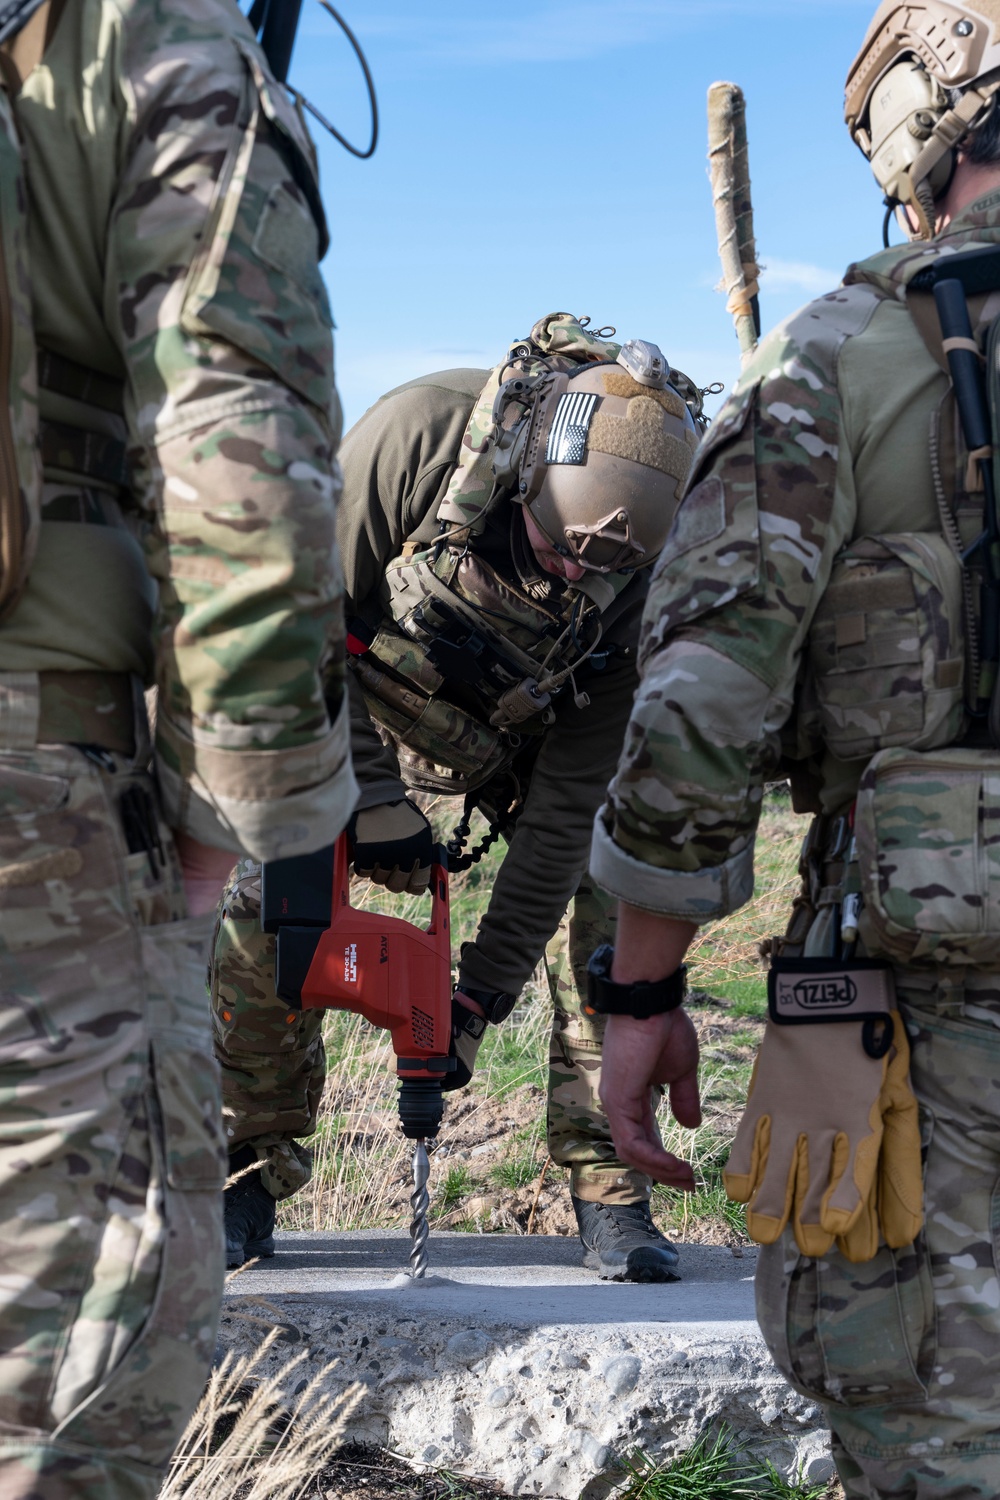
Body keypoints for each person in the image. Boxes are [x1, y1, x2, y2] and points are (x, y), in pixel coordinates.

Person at [590, 3, 1000, 1494]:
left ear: (911, 137)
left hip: (923, 1023)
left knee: (935, 1428)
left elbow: (700, 708)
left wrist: (641, 991)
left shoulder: (836, 359)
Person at [0, 0, 356, 1495]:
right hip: (42, 821)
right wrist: (221, 832)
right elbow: (247, 489)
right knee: (75, 1391)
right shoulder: (136, 42)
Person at [214, 313, 707, 1281]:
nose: (575, 573)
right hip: (345, 703)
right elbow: (293, 630)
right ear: (523, 475)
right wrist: (371, 792)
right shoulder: (412, 437)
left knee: (618, 911)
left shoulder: (653, 581)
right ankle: (247, 1164)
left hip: (528, 740)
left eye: (602, 569)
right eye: (561, 549)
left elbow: (569, 812)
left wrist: (476, 998)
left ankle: (608, 1178)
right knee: (264, 887)